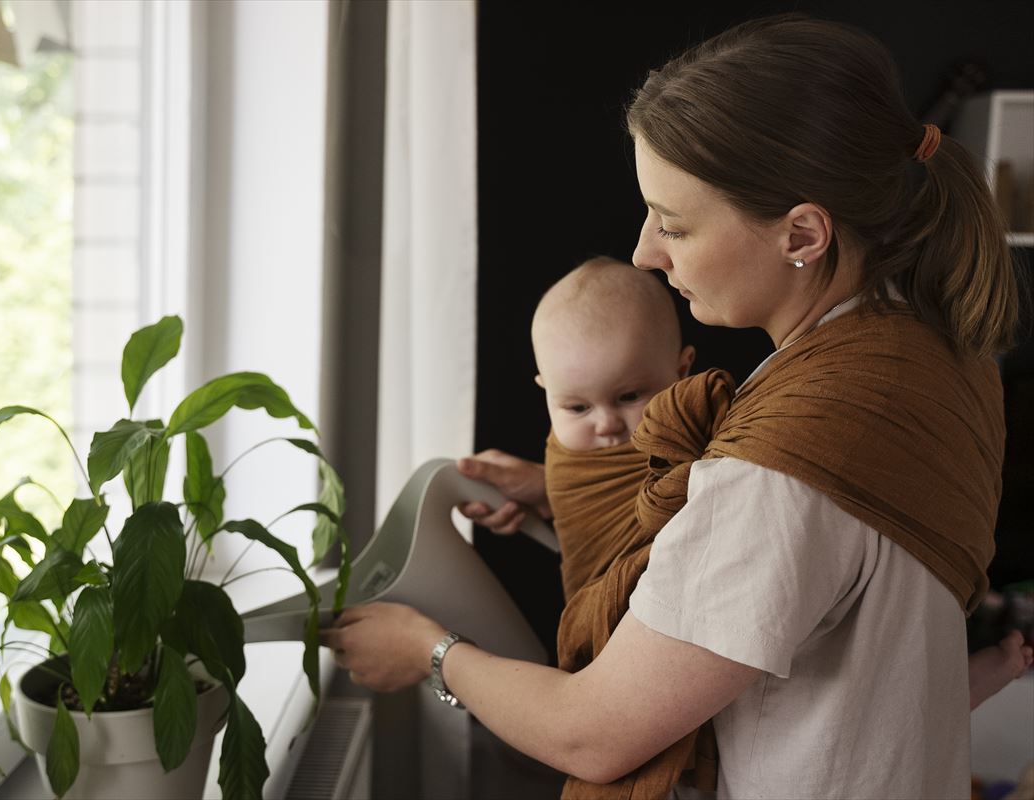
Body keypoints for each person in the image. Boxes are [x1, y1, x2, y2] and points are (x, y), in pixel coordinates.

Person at [320, 14, 1031, 799]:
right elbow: (792, 590)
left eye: (675, 223)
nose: (645, 252)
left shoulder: (785, 467)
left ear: (802, 233)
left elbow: (590, 734)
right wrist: (561, 497)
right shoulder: (936, 354)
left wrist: (426, 652)